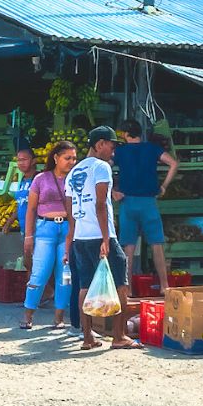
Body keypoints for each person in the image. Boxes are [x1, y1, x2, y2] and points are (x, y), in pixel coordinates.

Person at [64, 126, 141, 351]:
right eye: (111, 145)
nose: (113, 151)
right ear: (99, 144)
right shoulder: (101, 167)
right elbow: (100, 204)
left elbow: (70, 210)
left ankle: (87, 336)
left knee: (84, 286)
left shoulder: (73, 172)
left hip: (81, 237)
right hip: (100, 234)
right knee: (121, 283)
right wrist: (106, 239)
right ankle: (119, 336)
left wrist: (72, 239)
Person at [113, 119, 179, 294]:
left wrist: (112, 190)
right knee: (157, 244)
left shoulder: (119, 152)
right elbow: (174, 163)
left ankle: (127, 288)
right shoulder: (152, 149)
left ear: (126, 134)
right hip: (149, 202)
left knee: (128, 247)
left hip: (128, 202)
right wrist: (164, 186)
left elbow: (104, 168)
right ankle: (165, 286)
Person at [21, 141, 76, 330]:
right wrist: (29, 236)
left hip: (68, 229)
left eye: (74, 158)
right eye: (67, 158)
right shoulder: (41, 179)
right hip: (45, 229)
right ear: (56, 158)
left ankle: (59, 318)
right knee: (39, 273)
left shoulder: (75, 179)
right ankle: (28, 315)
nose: (71, 162)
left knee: (65, 276)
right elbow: (31, 209)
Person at [2, 148, 38, 233]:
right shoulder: (22, 180)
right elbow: (21, 204)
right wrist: (9, 223)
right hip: (24, 229)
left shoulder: (38, 179)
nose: (21, 163)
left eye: (24, 160)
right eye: (19, 160)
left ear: (33, 161)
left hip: (37, 230)